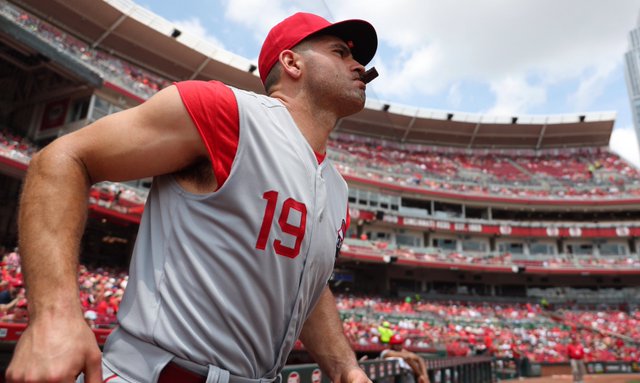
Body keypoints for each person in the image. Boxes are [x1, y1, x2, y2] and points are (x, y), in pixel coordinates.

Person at [7, 11, 378, 383]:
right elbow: (63, 158)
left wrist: (345, 366)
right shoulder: (229, 112)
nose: (358, 65)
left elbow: (302, 284)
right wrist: (53, 315)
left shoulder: (336, 188)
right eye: (340, 53)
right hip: (154, 373)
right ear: (292, 62)